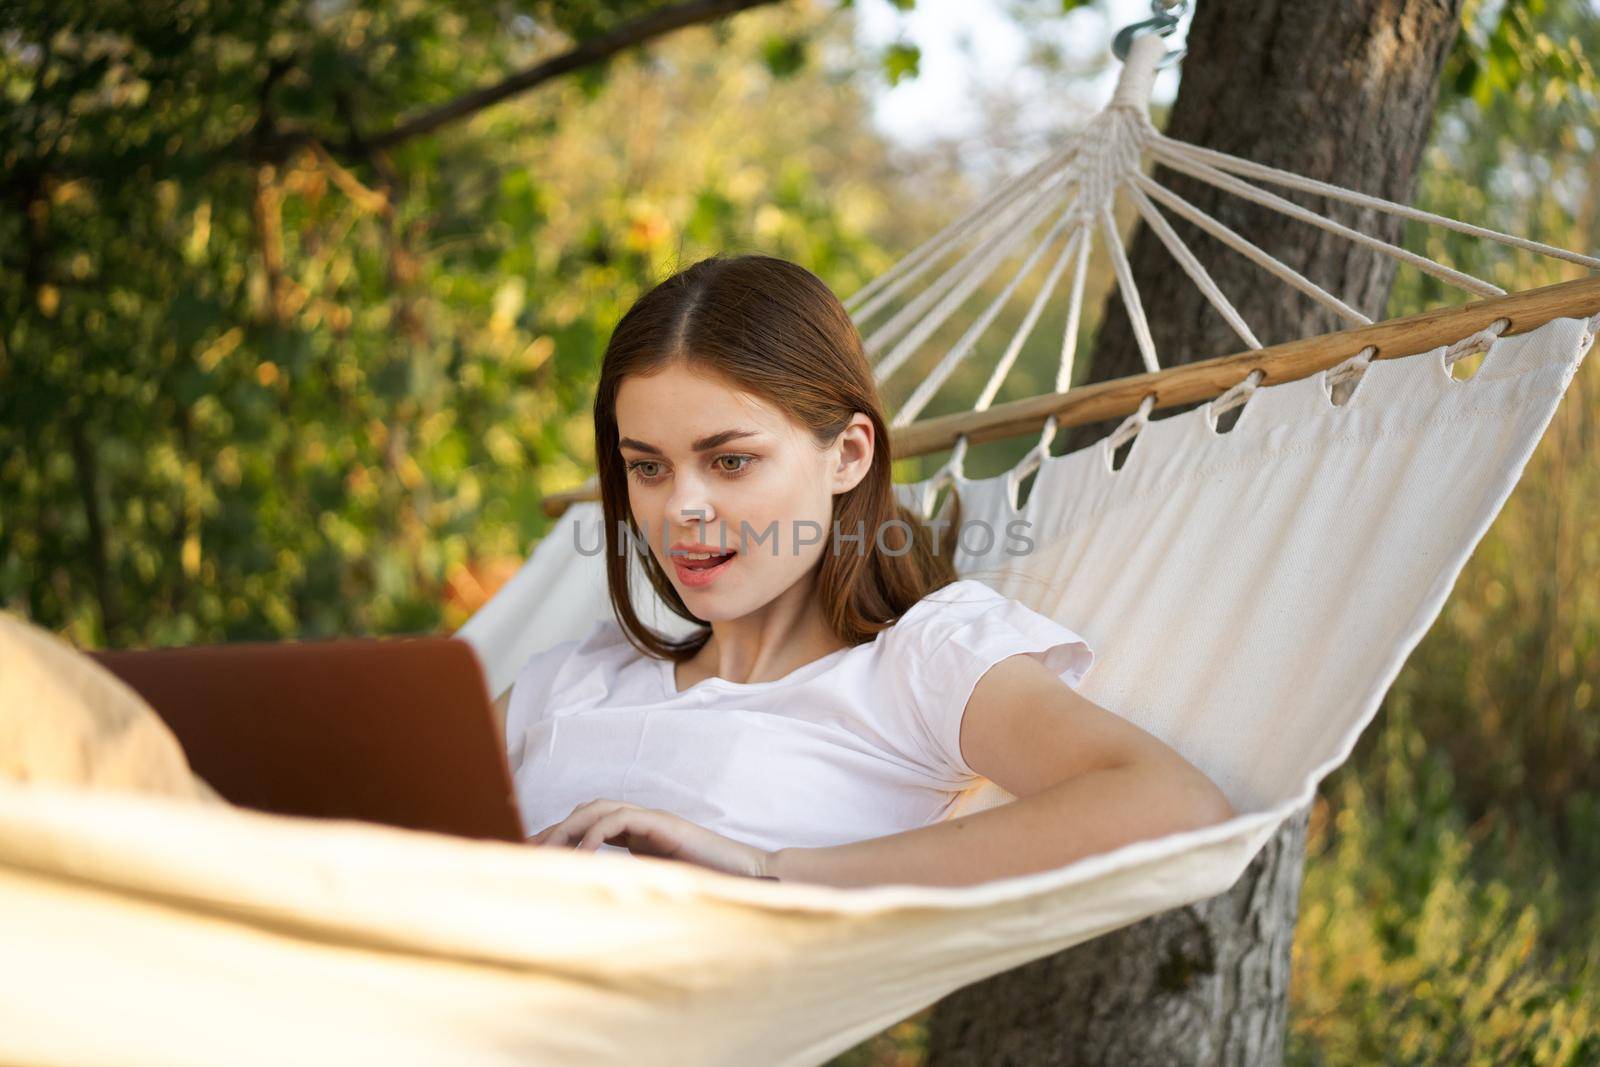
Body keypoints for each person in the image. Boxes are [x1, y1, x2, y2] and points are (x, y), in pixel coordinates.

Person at [506, 253, 1233, 888]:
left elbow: (1173, 806)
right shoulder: (576, 675)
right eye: (647, 466)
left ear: (848, 455)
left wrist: (768, 870)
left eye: (730, 460)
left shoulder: (918, 664)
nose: (681, 508)